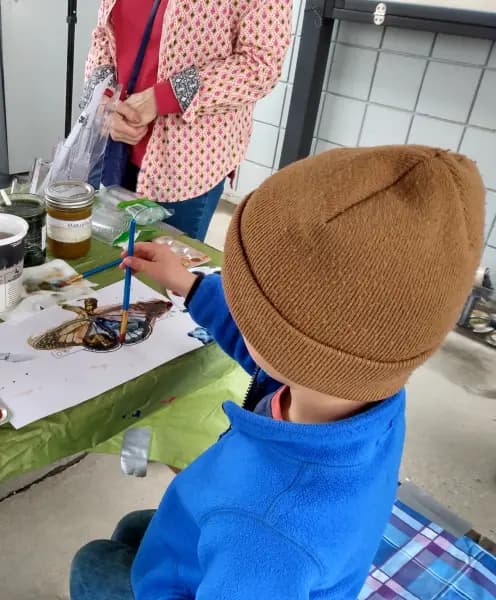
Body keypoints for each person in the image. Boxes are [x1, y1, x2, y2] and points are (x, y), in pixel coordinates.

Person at [70, 145, 485, 599]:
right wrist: (190, 286)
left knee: (94, 561)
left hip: (233, 563)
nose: (236, 309)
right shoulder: (360, 391)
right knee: (135, 528)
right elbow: (272, 355)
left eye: (245, 306)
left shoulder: (266, 533)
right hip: (224, 539)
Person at [81, 0, 292, 241]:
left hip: (185, 163)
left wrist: (164, 97)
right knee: (98, 253)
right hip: (111, 145)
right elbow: (104, 33)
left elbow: (260, 65)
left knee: (160, 260)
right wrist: (103, 100)